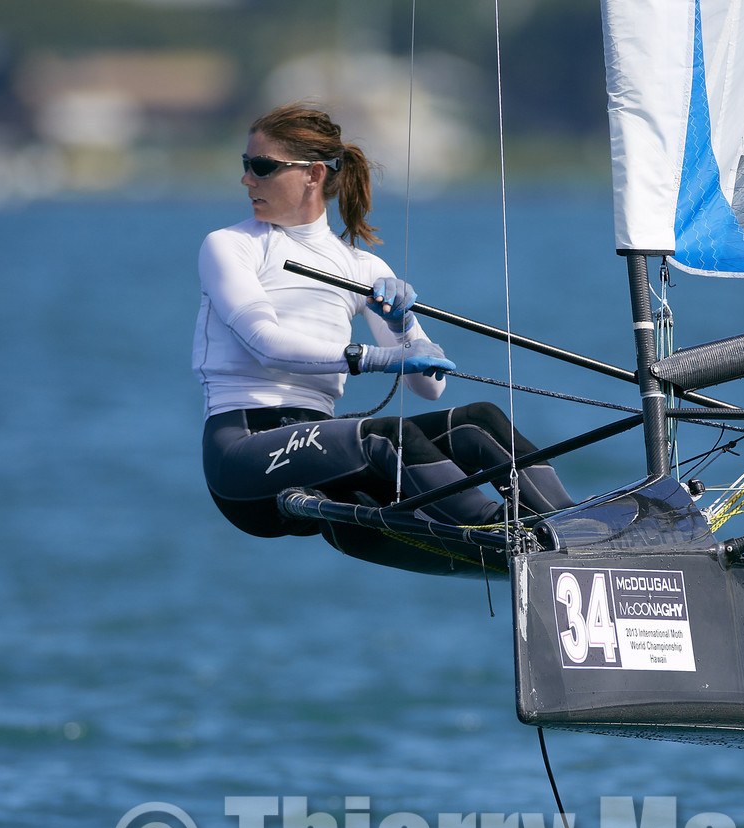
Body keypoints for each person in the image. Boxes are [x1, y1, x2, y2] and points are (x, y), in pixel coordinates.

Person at [194, 104, 576, 539]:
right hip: (242, 455)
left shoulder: (363, 267)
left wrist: (401, 327)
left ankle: (577, 528)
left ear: (313, 174)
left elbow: (430, 388)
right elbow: (264, 342)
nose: (247, 178)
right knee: (387, 436)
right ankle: (500, 531)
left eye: (261, 166)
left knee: (480, 420)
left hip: (323, 450)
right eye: (247, 165)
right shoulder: (230, 245)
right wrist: (380, 356)